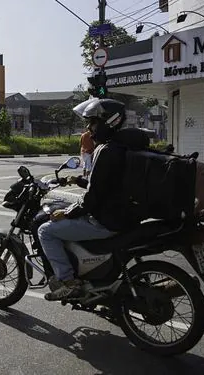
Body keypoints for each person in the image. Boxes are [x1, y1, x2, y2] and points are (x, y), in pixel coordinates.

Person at [37, 98, 150, 300]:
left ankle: (68, 281)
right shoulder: (127, 146)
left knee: (45, 231)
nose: (89, 128)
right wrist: (79, 180)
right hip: (127, 217)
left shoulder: (105, 151)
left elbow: (92, 198)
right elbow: (107, 185)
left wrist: (67, 212)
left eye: (93, 122)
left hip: (106, 221)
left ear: (109, 121)